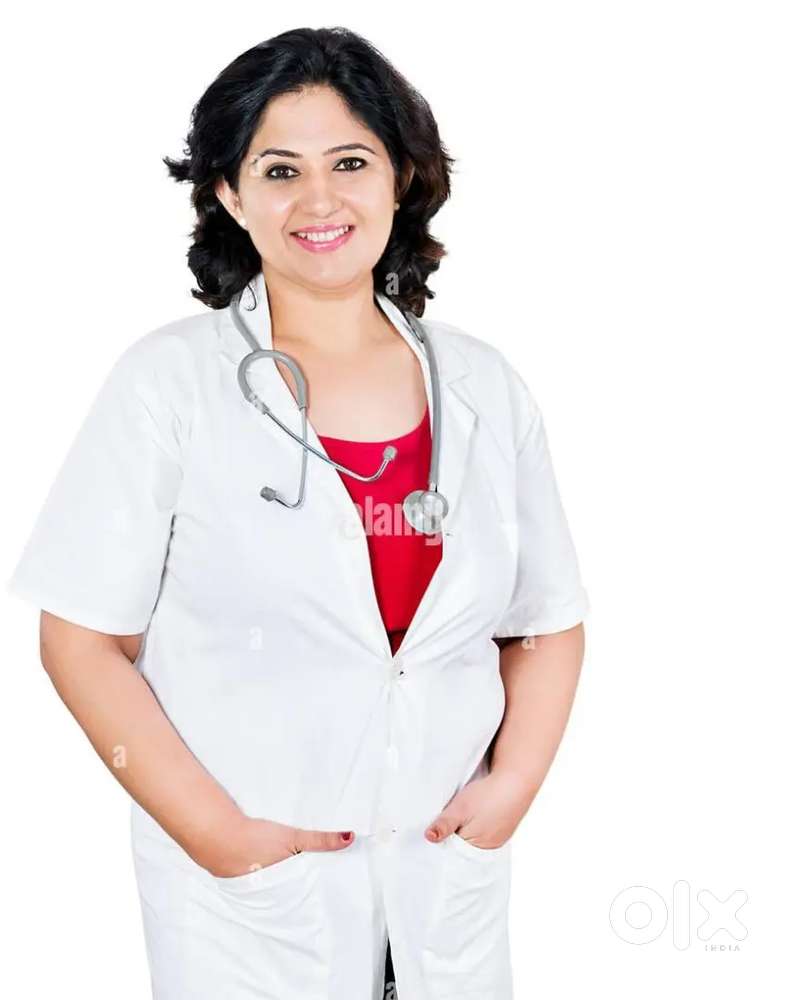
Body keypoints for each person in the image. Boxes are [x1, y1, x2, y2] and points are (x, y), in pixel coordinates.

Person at [7, 26, 590, 1000]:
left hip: (441, 875)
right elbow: (79, 638)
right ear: (230, 195)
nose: (319, 200)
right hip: (254, 905)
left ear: (401, 178)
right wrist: (215, 834)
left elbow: (546, 621)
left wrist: (510, 791)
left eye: (350, 162)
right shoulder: (169, 385)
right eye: (279, 170)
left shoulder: (484, 387)